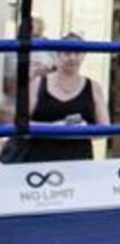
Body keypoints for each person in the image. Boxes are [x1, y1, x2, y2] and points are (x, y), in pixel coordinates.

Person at [0, 32, 108, 164]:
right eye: (67, 53)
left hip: (78, 160)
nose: (72, 58)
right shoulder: (38, 83)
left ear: (84, 55)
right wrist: (53, 128)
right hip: (39, 160)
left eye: (78, 53)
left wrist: (83, 130)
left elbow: (104, 129)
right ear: (58, 54)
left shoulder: (94, 87)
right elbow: (20, 123)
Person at [1, 16, 55, 125]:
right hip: (16, 104)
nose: (32, 41)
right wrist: (28, 76)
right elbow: (7, 87)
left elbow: (58, 78)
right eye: (29, 35)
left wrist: (47, 74)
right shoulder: (11, 51)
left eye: (37, 36)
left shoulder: (50, 50)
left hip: (43, 105)